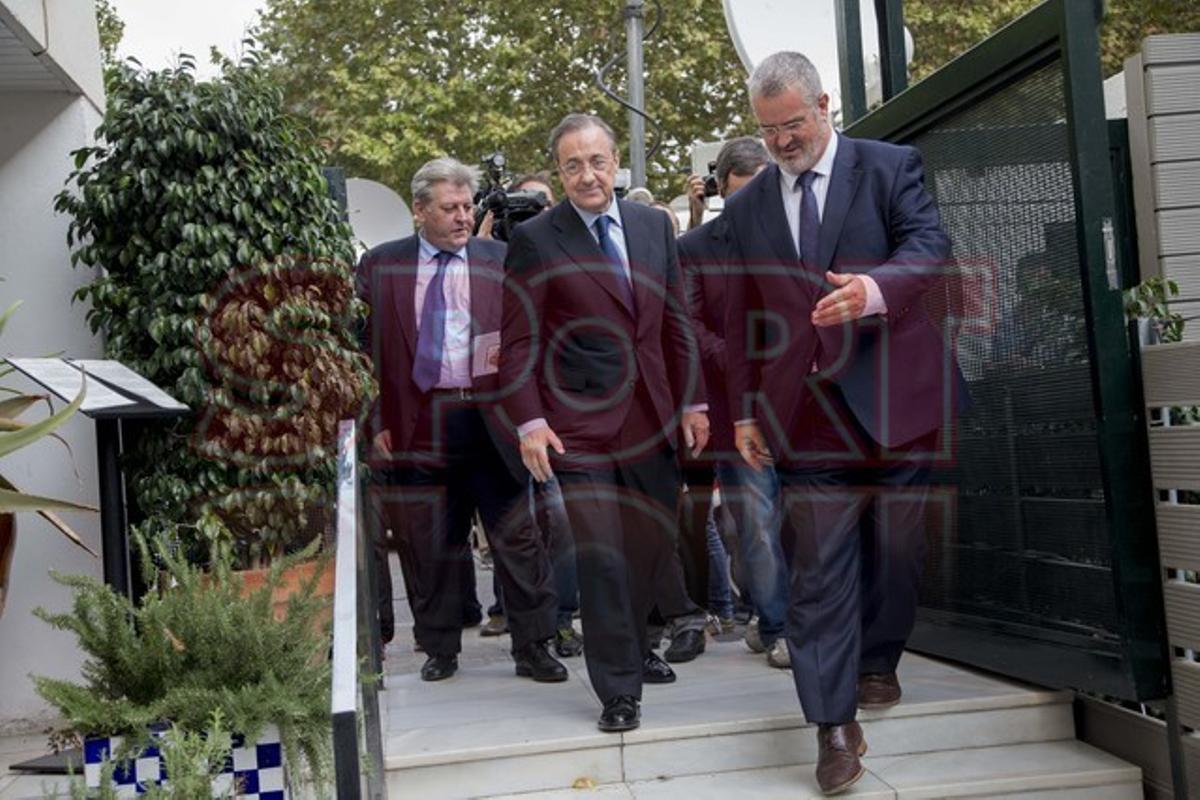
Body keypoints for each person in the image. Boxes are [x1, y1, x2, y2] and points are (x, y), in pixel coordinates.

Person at [721, 52, 964, 795]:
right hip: (807, 414)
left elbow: (931, 249)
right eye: (769, 132)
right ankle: (831, 725)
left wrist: (874, 290)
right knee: (819, 567)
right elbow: (741, 319)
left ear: (824, 104)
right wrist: (742, 409)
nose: (784, 142)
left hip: (899, 398)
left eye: (793, 124)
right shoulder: (750, 205)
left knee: (896, 548)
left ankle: (878, 660)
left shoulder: (891, 168)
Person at [499, 113, 710, 733]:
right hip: (578, 426)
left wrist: (693, 403)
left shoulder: (652, 224)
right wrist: (529, 421)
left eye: (596, 161)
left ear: (615, 164)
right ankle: (618, 689)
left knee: (649, 546)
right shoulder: (537, 238)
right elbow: (517, 344)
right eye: (572, 165)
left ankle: (638, 643)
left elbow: (675, 321)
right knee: (604, 555)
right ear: (560, 172)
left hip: (652, 419)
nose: (587, 175)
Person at [357, 157, 567, 685]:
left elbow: (529, 340)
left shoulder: (501, 258)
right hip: (419, 420)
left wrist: (532, 418)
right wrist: (376, 419)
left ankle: (535, 645)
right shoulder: (382, 266)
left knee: (518, 538)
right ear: (419, 209)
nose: (462, 217)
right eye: (449, 208)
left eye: (468, 207)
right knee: (429, 543)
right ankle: (440, 647)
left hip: (493, 415)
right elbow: (364, 353)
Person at [677, 136, 791, 671]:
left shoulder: (796, 233)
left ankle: (790, 615)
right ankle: (777, 626)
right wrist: (749, 360)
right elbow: (690, 326)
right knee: (757, 523)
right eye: (741, 194)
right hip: (735, 408)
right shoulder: (694, 248)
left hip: (803, 406)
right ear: (722, 190)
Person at [479, 173, 585, 659]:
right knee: (512, 524)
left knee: (559, 520)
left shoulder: (569, 250)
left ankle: (561, 619)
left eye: (541, 204)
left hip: (560, 414)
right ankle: (514, 612)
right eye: (522, 207)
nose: (532, 214)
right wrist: (483, 248)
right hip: (501, 417)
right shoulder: (484, 256)